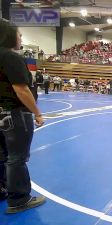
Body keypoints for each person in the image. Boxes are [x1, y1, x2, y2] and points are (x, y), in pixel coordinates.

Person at [0, 19, 46, 214]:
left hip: (1, 111)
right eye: (19, 33)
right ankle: (19, 199)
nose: (20, 37)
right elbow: (21, 89)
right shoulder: (10, 57)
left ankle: (4, 189)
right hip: (15, 114)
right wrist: (37, 113)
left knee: (3, 155)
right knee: (17, 157)